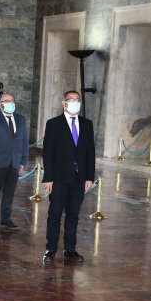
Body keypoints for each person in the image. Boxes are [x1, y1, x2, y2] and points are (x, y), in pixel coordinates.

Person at [41, 90, 95, 263]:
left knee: (73, 215)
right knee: (55, 214)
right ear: (64, 103)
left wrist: (89, 177)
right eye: (71, 100)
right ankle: (51, 249)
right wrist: (48, 177)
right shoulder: (54, 124)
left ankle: (70, 249)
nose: (75, 103)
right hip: (59, 178)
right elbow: (48, 153)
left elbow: (90, 153)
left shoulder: (87, 124)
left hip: (79, 179)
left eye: (77, 100)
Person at [0, 92, 29, 230]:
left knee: (9, 193)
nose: (10, 103)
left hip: (14, 162)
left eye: (12, 100)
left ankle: (6, 219)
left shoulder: (20, 119)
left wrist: (23, 161)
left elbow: (24, 142)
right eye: (6, 100)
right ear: (0, 104)